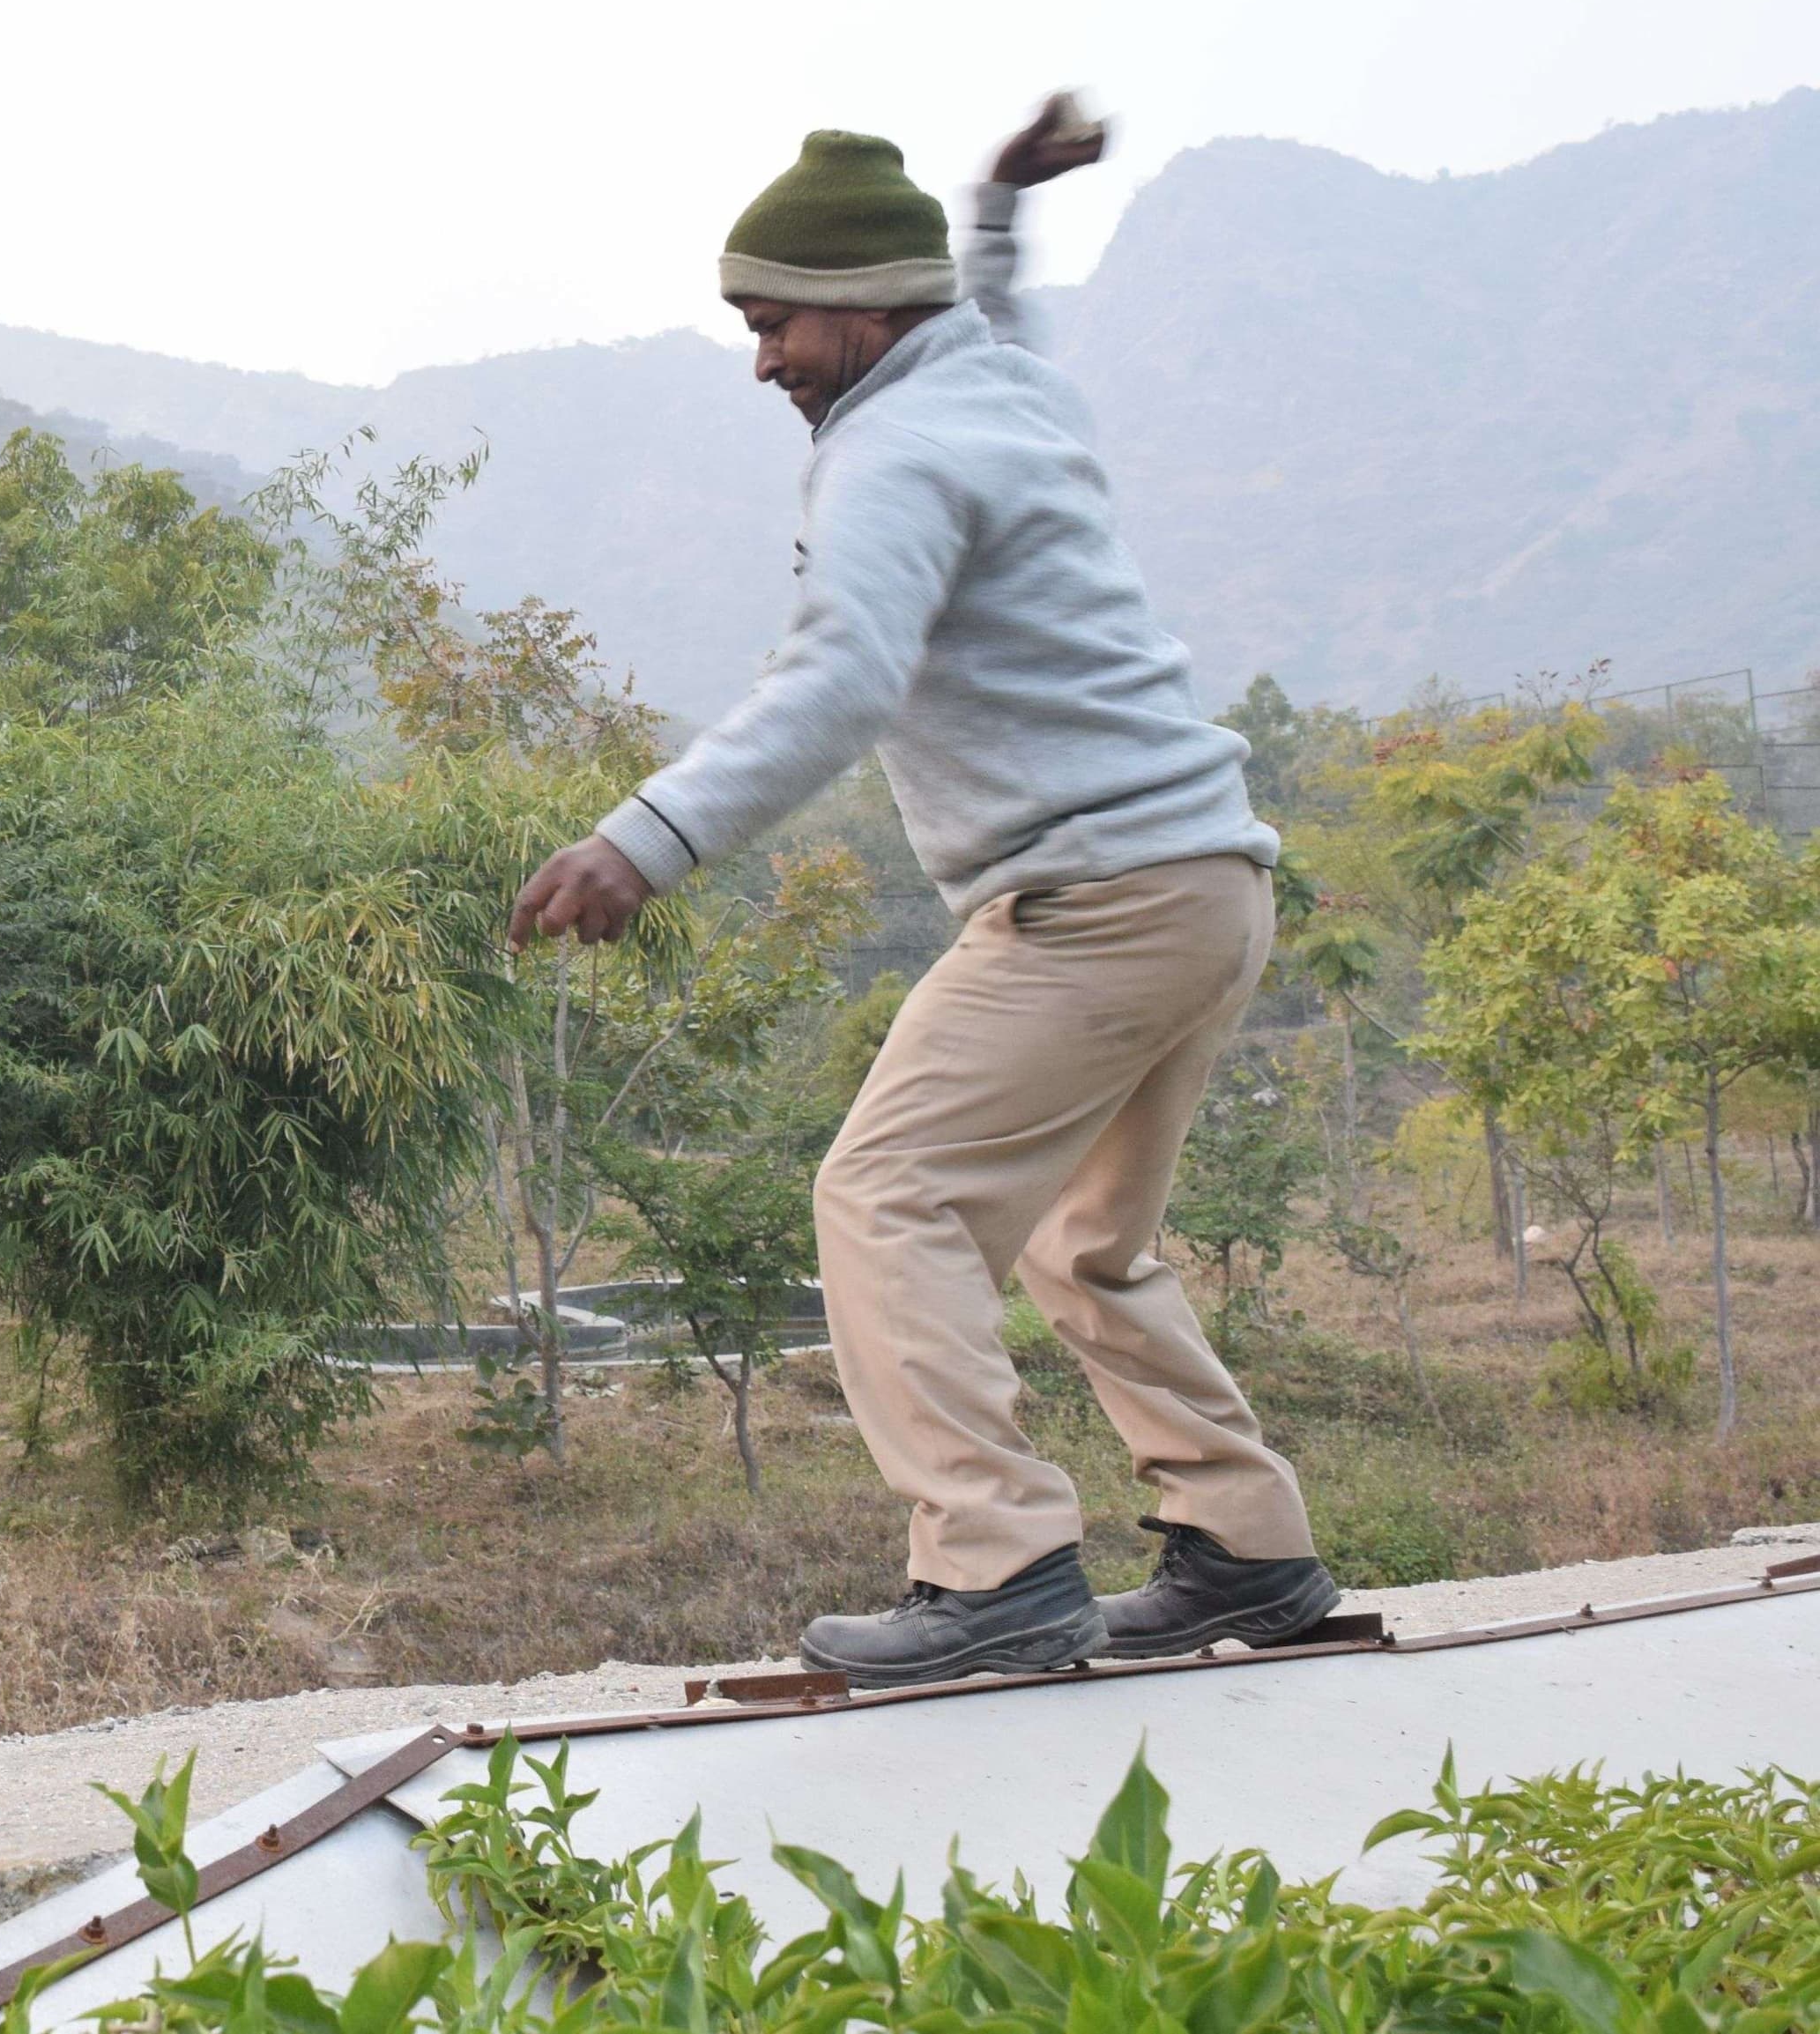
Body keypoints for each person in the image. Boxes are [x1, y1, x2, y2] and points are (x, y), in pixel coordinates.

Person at [509, 97, 1339, 1685]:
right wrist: (999, 214)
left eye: (771, 324)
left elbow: (840, 681)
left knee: (886, 1198)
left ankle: (997, 1562)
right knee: (1086, 1243)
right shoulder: (1002, 394)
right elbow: (992, 318)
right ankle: (1249, 1546)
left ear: (865, 310)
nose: (761, 361)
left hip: (1090, 898)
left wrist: (644, 840)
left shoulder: (888, 453)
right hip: (1209, 882)